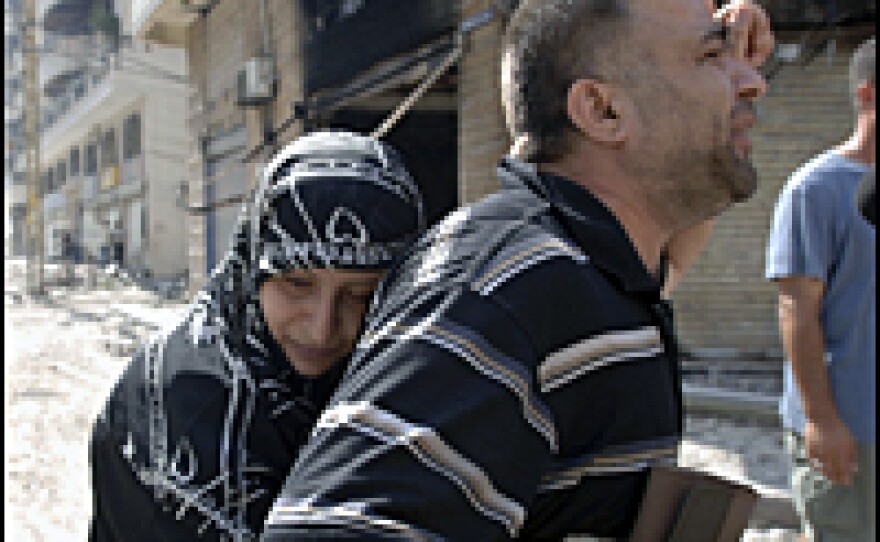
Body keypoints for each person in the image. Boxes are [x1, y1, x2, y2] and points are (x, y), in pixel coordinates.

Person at [261, 1, 771, 539]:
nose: (754, 83)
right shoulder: (502, 287)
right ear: (602, 110)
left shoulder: (597, 271)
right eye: (710, 57)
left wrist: (726, 67)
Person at [88, 130, 427, 541]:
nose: (322, 327)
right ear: (251, 269)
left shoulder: (414, 383)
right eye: (297, 283)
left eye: (360, 295)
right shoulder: (173, 405)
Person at [766, 37, 875, 542]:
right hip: (853, 430)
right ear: (868, 95)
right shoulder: (816, 190)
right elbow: (797, 310)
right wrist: (822, 420)